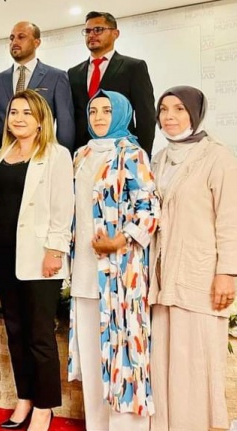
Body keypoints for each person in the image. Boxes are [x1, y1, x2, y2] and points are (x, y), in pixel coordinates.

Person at [68, 90, 158, 431]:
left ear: (121, 114)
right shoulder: (81, 154)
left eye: (107, 110)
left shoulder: (132, 154)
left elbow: (149, 209)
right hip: (84, 271)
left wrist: (119, 241)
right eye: (93, 111)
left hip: (121, 272)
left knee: (124, 353)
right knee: (94, 358)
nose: (99, 117)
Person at [0, 89, 73, 430]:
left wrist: (55, 250)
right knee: (16, 331)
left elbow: (63, 206)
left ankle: (44, 407)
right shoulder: (1, 154)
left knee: (39, 335)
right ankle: (25, 398)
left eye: (26, 113)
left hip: (40, 256)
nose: (18, 118)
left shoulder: (56, 155)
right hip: (5, 252)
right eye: (13, 112)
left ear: (40, 121)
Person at [149, 86, 237, 431]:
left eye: (179, 109)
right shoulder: (159, 158)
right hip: (163, 275)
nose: (169, 116)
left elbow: (230, 219)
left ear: (195, 113)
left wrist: (227, 272)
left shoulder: (217, 157)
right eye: (164, 109)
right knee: (164, 361)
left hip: (200, 275)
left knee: (196, 361)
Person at [68, 11, 155, 154]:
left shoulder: (133, 67)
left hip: (121, 151)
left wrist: (142, 154)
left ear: (115, 33)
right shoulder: (73, 73)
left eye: (98, 30)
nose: (91, 35)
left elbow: (145, 115)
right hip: (82, 152)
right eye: (88, 31)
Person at [0, 21, 74, 154]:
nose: (14, 42)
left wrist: (63, 156)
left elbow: (65, 122)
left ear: (36, 42)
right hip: (3, 153)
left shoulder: (56, 77)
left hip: (42, 154)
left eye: (21, 37)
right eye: (12, 38)